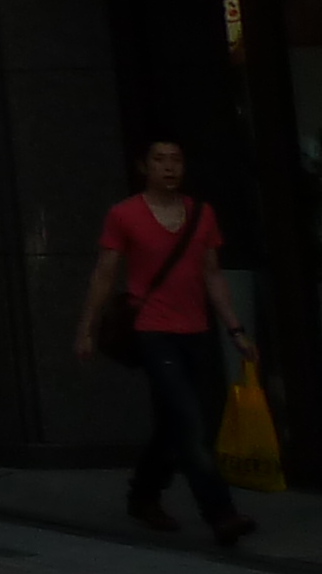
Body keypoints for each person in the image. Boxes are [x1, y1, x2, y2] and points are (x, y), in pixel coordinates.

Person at [76, 138, 255, 545]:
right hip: (153, 331)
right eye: (160, 160)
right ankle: (221, 514)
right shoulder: (124, 215)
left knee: (173, 424)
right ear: (145, 167)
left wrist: (235, 329)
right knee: (190, 424)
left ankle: (143, 495)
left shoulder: (201, 215)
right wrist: (86, 328)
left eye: (176, 160)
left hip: (197, 331)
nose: (169, 167)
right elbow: (104, 275)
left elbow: (212, 275)